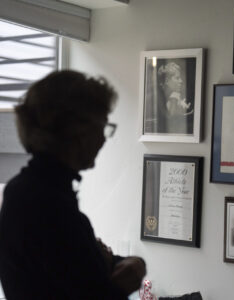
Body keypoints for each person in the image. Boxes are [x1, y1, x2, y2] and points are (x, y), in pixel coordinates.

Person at [0, 70, 146, 299]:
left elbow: (79, 274)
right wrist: (125, 281)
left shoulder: (28, 191)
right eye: (102, 126)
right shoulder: (46, 203)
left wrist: (121, 263)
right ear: (76, 129)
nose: (103, 138)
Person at [154, 61, 194, 134]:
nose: (181, 81)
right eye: (177, 78)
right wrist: (188, 114)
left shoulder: (173, 96)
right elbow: (172, 120)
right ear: (167, 81)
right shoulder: (173, 97)